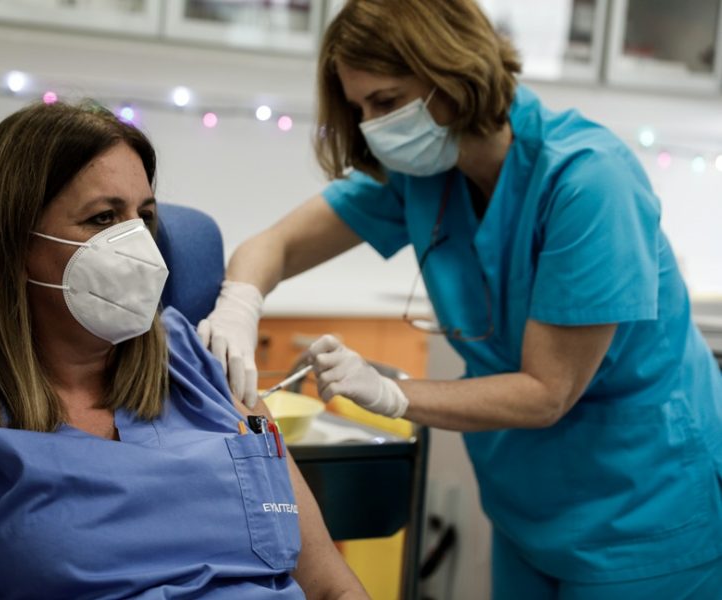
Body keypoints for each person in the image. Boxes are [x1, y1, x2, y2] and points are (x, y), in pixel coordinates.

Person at [196, 0, 722, 597]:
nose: (372, 126)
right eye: (360, 108)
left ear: (453, 72)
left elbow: (547, 391)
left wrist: (391, 394)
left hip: (647, 505)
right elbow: (279, 245)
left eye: (387, 101)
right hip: (531, 504)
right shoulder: (425, 173)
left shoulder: (590, 181)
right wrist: (240, 303)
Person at [0, 102, 368, 600]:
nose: (137, 243)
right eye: (103, 218)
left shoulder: (206, 368)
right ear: (14, 245)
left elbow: (331, 587)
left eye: (143, 216)